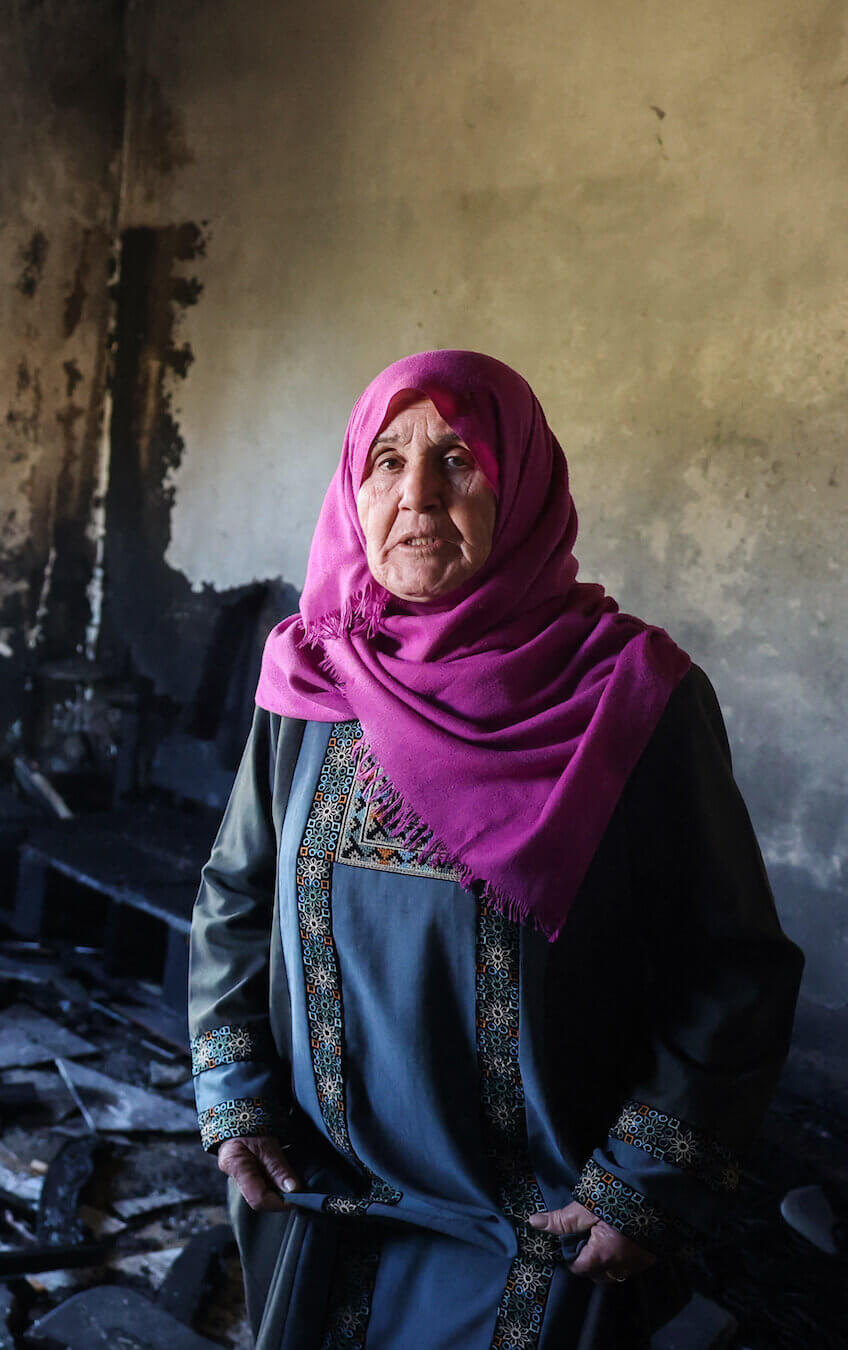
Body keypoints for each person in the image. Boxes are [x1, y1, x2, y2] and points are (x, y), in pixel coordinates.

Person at [188, 350, 803, 1349]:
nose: (417, 494)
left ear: (520, 487)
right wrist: (234, 1097)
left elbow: (730, 967)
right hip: (322, 1211)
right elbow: (232, 896)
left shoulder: (630, 697)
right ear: (352, 486)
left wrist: (647, 1181)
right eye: (386, 460)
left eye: (459, 459)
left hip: (542, 1237)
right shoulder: (311, 680)